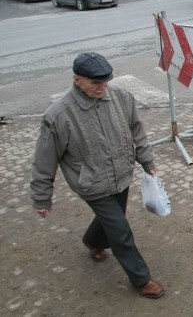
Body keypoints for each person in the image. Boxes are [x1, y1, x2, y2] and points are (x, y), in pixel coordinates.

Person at [30, 52, 165, 299]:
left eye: (106, 81)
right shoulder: (59, 115)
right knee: (120, 230)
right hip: (91, 184)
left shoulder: (121, 98)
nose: (102, 88)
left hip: (122, 175)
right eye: (95, 83)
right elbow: (44, 159)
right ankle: (141, 279)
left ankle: (93, 241)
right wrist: (41, 197)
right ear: (77, 79)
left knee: (113, 219)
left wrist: (147, 161)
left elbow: (137, 131)